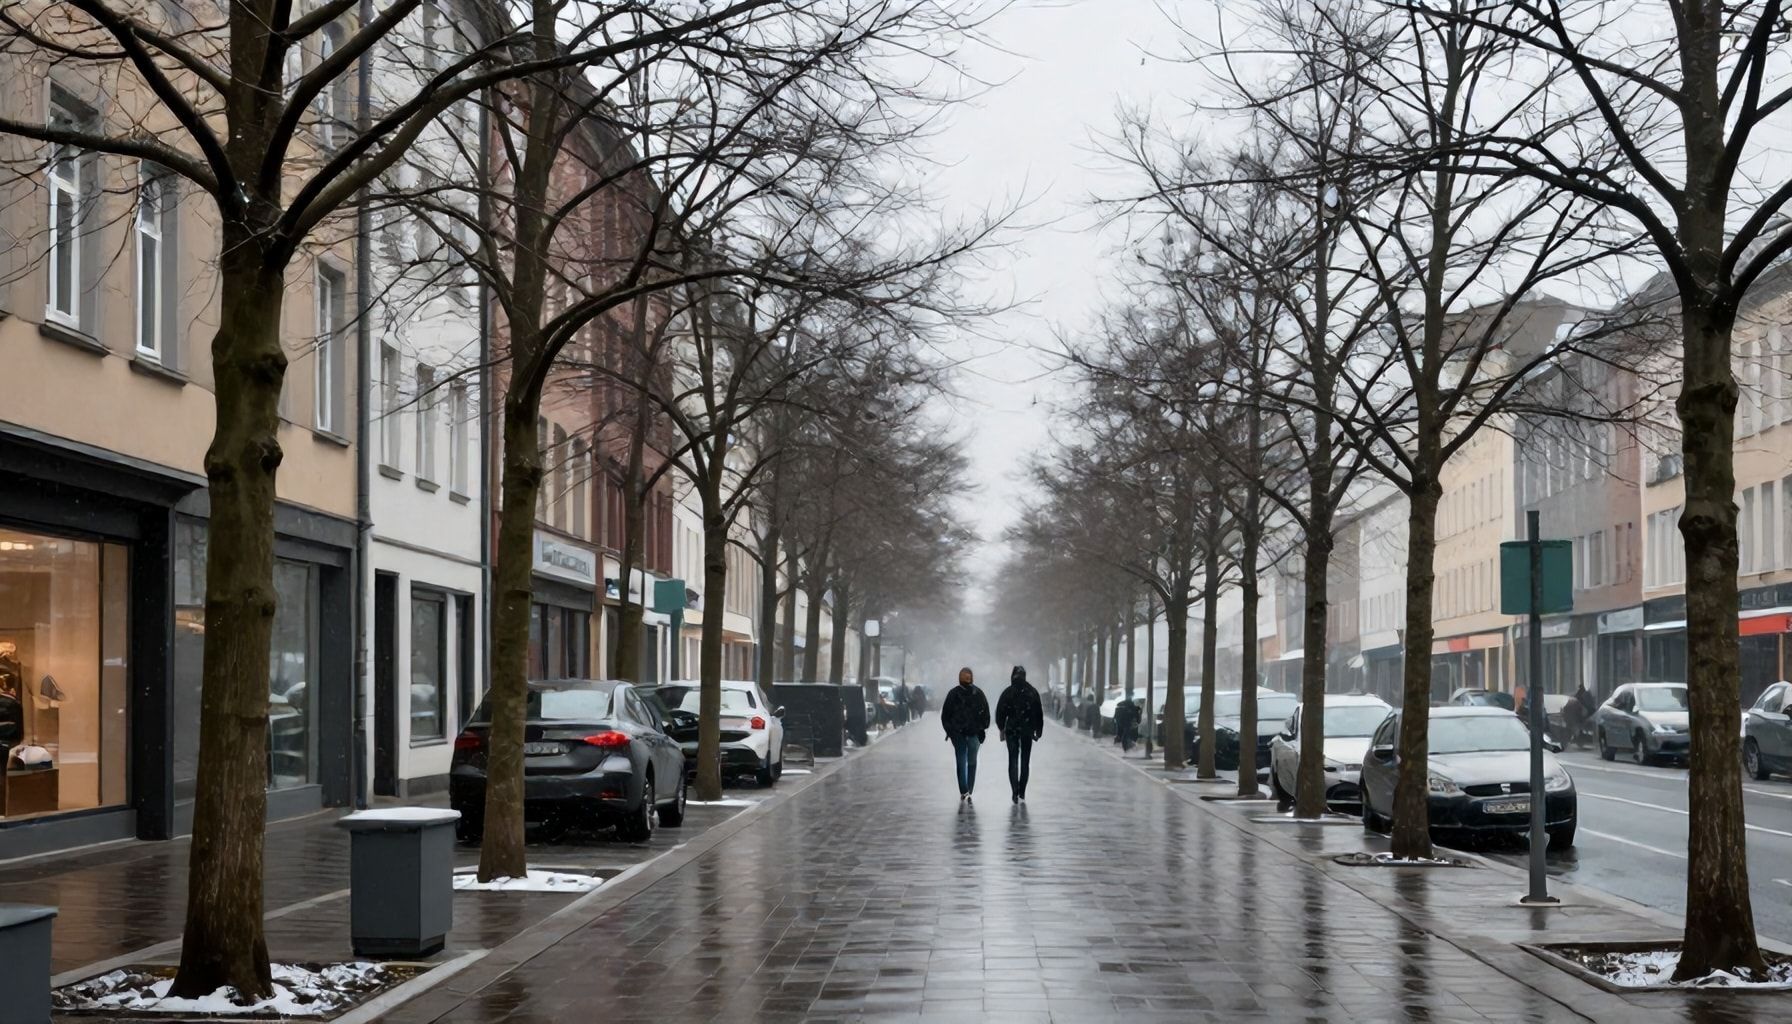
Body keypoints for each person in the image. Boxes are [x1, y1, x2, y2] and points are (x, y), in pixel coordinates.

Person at [995, 665, 1044, 803]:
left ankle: (1014, 791)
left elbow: (1000, 712)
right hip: (1027, 730)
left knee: (1013, 760)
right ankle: (1022, 790)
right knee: (1025, 761)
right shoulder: (1032, 692)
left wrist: (1002, 727)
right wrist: (1038, 730)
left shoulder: (1008, 692)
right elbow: (1038, 713)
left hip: (1012, 729)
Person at [940, 666, 990, 801]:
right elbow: (986, 714)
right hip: (973, 733)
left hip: (958, 734)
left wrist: (950, 731)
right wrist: (982, 728)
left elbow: (945, 716)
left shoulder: (953, 694)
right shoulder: (978, 694)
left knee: (961, 761)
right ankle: (969, 788)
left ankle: (964, 790)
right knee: (971, 761)